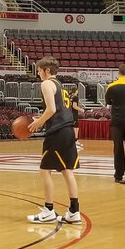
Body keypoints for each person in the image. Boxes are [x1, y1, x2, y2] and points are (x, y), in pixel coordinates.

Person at [24, 57, 81, 224]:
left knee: (44, 170)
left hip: (57, 132)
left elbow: (51, 109)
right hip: (68, 130)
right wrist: (42, 119)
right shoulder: (60, 85)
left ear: (47, 71)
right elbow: (57, 110)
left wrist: (38, 122)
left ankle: (48, 210)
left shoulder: (46, 84)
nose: (38, 74)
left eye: (39, 70)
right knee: (66, 171)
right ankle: (74, 211)